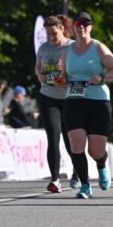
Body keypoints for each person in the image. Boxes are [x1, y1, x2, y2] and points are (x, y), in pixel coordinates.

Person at [62, 11, 113, 199]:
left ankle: (102, 164)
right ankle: (85, 185)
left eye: (86, 23)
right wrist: (59, 79)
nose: (82, 27)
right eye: (78, 23)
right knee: (76, 146)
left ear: (91, 27)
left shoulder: (98, 47)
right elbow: (64, 74)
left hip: (98, 102)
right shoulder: (67, 50)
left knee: (95, 150)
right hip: (73, 101)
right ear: (73, 27)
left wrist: (102, 77)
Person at [35, 13, 78, 193]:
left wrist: (65, 74)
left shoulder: (73, 47)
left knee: (70, 140)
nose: (51, 38)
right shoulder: (44, 48)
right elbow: (38, 67)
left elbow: (80, 72)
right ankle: (55, 179)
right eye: (48, 34)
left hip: (69, 98)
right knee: (53, 137)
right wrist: (40, 75)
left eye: (54, 33)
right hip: (48, 96)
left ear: (62, 29)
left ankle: (77, 170)